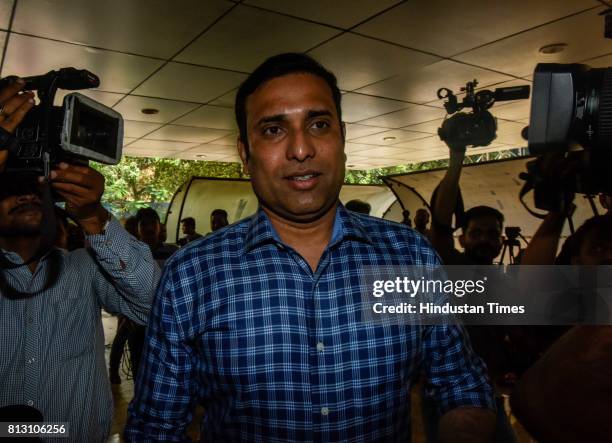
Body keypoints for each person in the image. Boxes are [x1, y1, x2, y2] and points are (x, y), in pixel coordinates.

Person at [126, 53, 495, 442]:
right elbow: (155, 428)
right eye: (273, 130)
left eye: (319, 124)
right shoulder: (192, 275)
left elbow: (461, 383)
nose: (301, 149)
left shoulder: (410, 258)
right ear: (244, 153)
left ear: (342, 138)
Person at [0, 78, 160, 442]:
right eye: (10, 189)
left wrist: (93, 216)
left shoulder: (84, 268)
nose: (26, 196)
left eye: (37, 187)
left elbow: (155, 303)